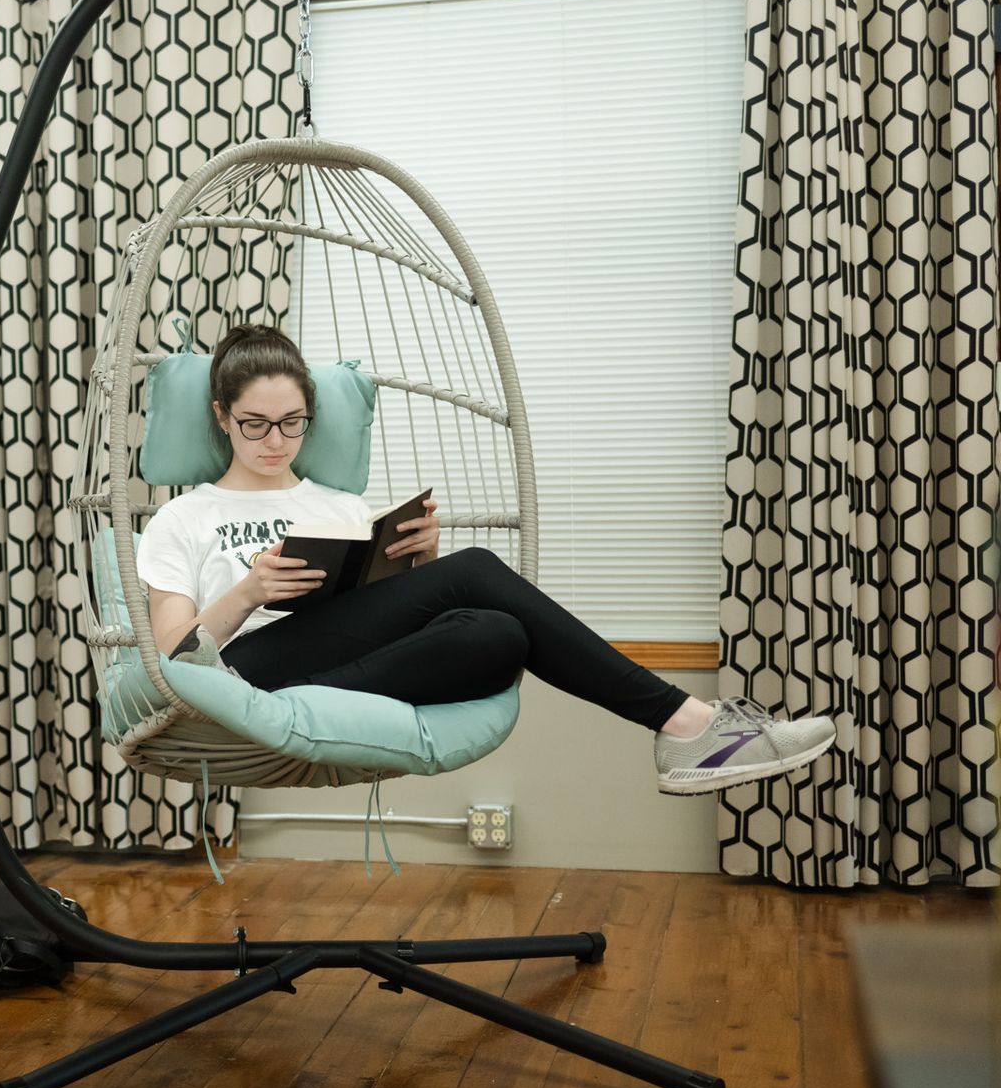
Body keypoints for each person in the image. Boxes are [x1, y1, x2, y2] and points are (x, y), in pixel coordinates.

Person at [135, 323, 835, 796]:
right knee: (474, 571)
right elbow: (171, 660)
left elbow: (386, 621)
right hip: (241, 678)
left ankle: (688, 730)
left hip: (330, 682)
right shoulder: (184, 517)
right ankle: (686, 724)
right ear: (223, 416)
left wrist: (415, 563)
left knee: (499, 635)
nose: (275, 440)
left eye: (292, 423)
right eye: (255, 424)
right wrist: (250, 592)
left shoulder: (342, 508)